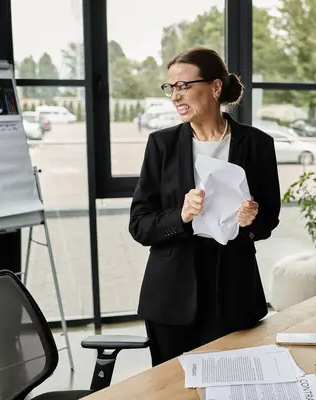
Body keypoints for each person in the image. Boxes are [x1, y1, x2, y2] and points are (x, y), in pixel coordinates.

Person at [128, 47, 281, 367]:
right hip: (170, 296)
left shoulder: (257, 144)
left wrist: (251, 220)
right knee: (173, 391)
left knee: (235, 384)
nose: (175, 96)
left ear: (215, 88)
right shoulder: (161, 144)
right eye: (170, 87)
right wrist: (181, 215)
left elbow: (269, 218)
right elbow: (140, 225)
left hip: (234, 290)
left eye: (184, 85)